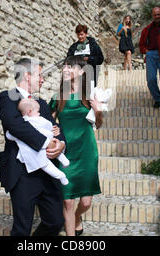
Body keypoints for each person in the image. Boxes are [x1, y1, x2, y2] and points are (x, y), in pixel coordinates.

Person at [0, 58, 66, 236]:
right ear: (27, 76)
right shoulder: (7, 97)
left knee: (56, 221)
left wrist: (60, 144)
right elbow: (16, 125)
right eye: (39, 75)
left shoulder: (41, 104)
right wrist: (47, 142)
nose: (42, 79)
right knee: (22, 229)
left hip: (47, 173)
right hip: (22, 174)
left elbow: (55, 128)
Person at [49, 55, 103, 236]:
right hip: (65, 154)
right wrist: (53, 130)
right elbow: (47, 121)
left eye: (70, 67)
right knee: (68, 202)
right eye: (64, 67)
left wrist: (98, 111)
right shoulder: (58, 97)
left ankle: (77, 217)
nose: (65, 70)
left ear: (81, 71)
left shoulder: (90, 95)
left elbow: (99, 124)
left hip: (87, 151)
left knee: (86, 202)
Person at [6, 98, 70, 186]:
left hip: (48, 143)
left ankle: (63, 166)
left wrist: (55, 132)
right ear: (29, 111)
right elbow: (14, 131)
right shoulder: (23, 120)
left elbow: (51, 124)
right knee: (46, 163)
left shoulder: (39, 114)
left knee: (50, 155)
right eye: (37, 111)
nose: (39, 113)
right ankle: (61, 173)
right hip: (35, 150)